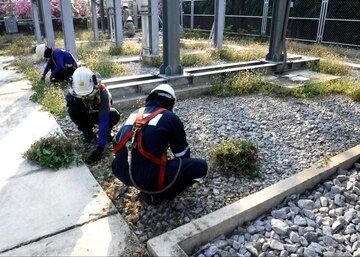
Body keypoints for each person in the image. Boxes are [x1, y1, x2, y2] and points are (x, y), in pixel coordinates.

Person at [112, 84, 208, 203]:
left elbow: (115, 142)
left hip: (121, 171)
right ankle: (159, 195)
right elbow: (182, 155)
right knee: (201, 166)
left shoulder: (135, 113)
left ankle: (143, 183)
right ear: (171, 102)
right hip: (148, 178)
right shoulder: (171, 117)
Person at [65, 67, 120, 162]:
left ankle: (106, 133)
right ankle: (88, 133)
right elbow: (73, 108)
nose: (85, 96)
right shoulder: (73, 92)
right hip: (85, 115)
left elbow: (103, 119)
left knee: (114, 114)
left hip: (98, 113)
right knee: (72, 111)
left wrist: (100, 148)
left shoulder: (103, 92)